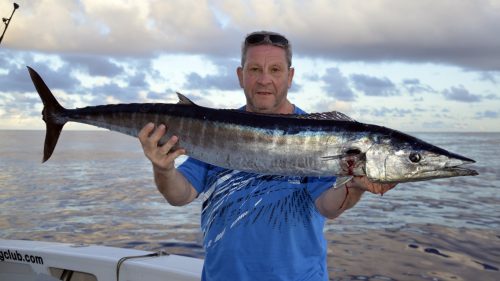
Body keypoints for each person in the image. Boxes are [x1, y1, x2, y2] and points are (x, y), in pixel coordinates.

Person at [139, 31, 396, 281]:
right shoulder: (213, 130)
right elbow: (180, 195)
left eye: (275, 69)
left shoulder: (322, 136)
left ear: (290, 76)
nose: (264, 80)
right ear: (241, 76)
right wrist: (163, 169)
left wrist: (355, 185)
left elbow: (327, 206)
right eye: (254, 70)